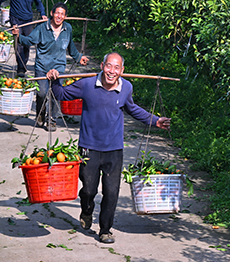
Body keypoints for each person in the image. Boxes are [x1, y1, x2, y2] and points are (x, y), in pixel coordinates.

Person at [47, 53, 171, 244]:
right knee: (89, 189)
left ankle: (105, 230)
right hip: (89, 147)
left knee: (111, 192)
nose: (111, 71)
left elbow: (132, 108)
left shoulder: (126, 87)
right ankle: (86, 211)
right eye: (109, 66)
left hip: (114, 149)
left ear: (122, 71)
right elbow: (62, 94)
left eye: (116, 68)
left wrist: (155, 120)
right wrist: (54, 80)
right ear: (102, 65)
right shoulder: (87, 84)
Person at [11, 3, 89, 131]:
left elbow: (71, 47)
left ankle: (52, 120)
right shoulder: (42, 27)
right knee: (41, 93)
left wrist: (79, 57)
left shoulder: (67, 28)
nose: (59, 16)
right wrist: (18, 36)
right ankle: (40, 114)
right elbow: (29, 41)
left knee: (56, 94)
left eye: (62, 14)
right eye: (57, 13)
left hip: (59, 66)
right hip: (42, 65)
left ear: (65, 16)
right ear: (52, 13)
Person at [0, 0, 47, 77]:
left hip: (28, 20)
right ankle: (21, 68)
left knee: (27, 43)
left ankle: (24, 63)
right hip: (16, 20)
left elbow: (38, 2)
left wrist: (42, 13)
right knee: (18, 43)